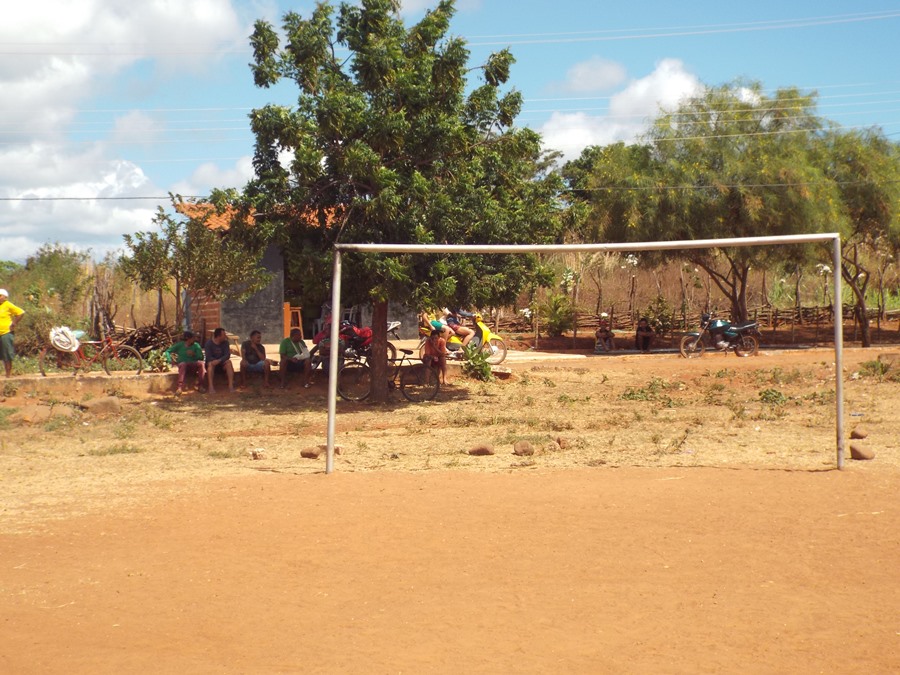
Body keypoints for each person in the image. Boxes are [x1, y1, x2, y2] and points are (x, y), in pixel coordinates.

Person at [0, 289, 25, 378]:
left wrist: (14, 323)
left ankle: (8, 375)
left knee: (7, 355)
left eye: (0, 296)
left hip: (6, 333)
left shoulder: (8, 305)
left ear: (5, 297)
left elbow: (21, 312)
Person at [204, 327, 235, 393]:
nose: (225, 337)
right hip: (212, 363)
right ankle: (211, 386)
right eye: (224, 335)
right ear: (218, 336)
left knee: (229, 363)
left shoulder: (226, 343)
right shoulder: (208, 344)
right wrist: (214, 361)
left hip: (221, 363)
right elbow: (208, 356)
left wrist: (219, 360)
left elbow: (227, 355)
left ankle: (230, 385)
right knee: (210, 364)